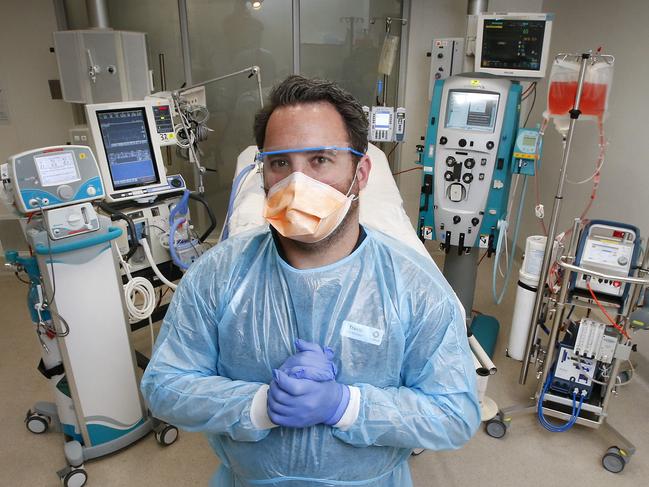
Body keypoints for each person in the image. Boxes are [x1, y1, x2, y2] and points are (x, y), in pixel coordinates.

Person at [141, 75, 481, 486]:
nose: (296, 183)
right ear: (263, 171)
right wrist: (261, 404)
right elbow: (164, 386)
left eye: (320, 159)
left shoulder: (415, 287)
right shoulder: (218, 275)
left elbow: (453, 415)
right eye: (280, 162)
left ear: (361, 172)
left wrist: (345, 405)